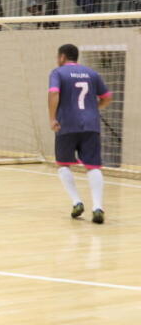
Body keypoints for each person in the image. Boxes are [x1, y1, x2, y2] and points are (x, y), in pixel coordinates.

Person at [48, 44, 112, 224]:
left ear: (62, 57)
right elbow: (107, 97)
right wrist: (93, 109)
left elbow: (54, 94)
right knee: (93, 166)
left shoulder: (57, 73)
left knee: (63, 165)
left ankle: (77, 202)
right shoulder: (92, 73)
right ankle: (98, 207)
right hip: (91, 125)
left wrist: (52, 118)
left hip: (66, 124)